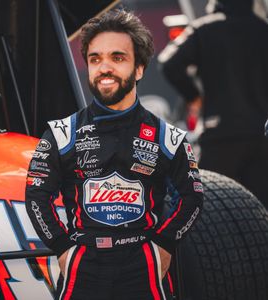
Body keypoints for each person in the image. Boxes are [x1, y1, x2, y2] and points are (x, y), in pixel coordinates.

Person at [25, 9, 204, 300]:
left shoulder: (168, 137)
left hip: (143, 264)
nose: (104, 67)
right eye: (95, 59)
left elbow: (193, 197)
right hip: (84, 264)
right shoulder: (61, 133)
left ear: (140, 68)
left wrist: (165, 244)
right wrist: (61, 247)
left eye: (117, 58)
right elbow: (35, 196)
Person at [158, 0, 268, 204]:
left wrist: (193, 96)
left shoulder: (204, 29)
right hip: (261, 137)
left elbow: (169, 63)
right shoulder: (263, 30)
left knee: (212, 206)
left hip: (220, 137)